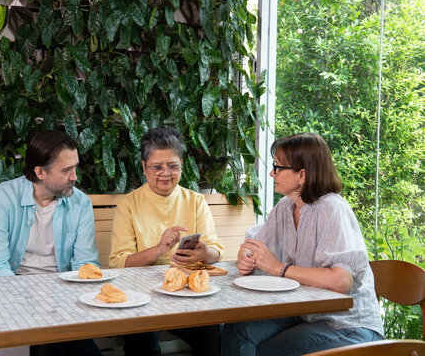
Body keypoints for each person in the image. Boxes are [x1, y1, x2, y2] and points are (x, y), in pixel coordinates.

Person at [221, 133, 384, 356]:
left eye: (278, 168)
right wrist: (247, 257)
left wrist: (279, 268)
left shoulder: (332, 209)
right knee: (237, 330)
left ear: (302, 174)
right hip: (307, 316)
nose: (271, 173)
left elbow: (341, 280)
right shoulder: (285, 207)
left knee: (266, 351)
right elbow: (255, 246)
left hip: (349, 327)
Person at [0, 130, 101, 356]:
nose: (75, 176)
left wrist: (69, 303)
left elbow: (86, 265)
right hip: (12, 296)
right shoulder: (3, 198)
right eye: (66, 170)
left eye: (75, 167)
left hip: (64, 299)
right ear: (40, 172)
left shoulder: (80, 203)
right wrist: (33, 302)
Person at [109, 126, 224, 356]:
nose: (165, 173)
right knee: (143, 340)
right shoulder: (129, 204)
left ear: (181, 164)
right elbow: (119, 263)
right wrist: (159, 249)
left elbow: (217, 252)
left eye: (173, 166)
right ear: (144, 167)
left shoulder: (195, 201)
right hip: (141, 299)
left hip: (187, 297)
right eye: (157, 167)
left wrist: (204, 254)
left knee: (212, 333)